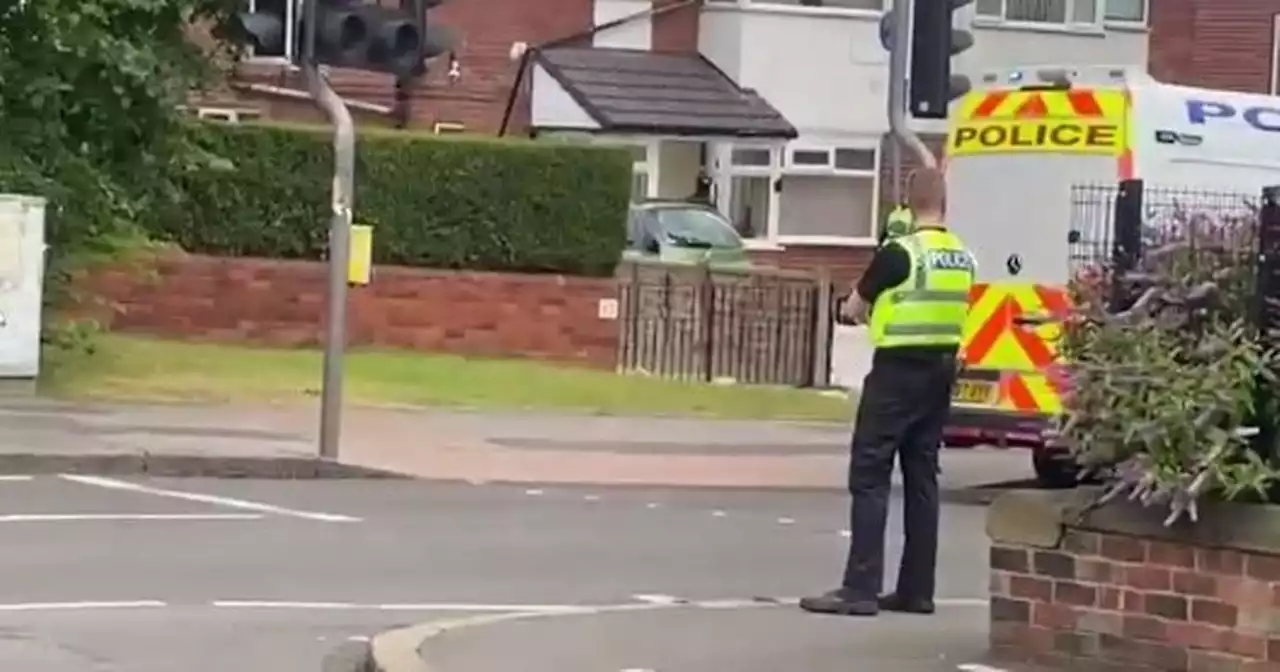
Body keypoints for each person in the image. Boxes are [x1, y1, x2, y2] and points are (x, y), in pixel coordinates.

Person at [799, 165, 975, 617]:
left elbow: (854, 308)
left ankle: (860, 587)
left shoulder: (900, 254)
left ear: (906, 202)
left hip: (897, 371)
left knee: (870, 475)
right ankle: (917, 590)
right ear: (946, 203)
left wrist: (858, 309)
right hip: (940, 373)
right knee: (922, 479)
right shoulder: (962, 255)